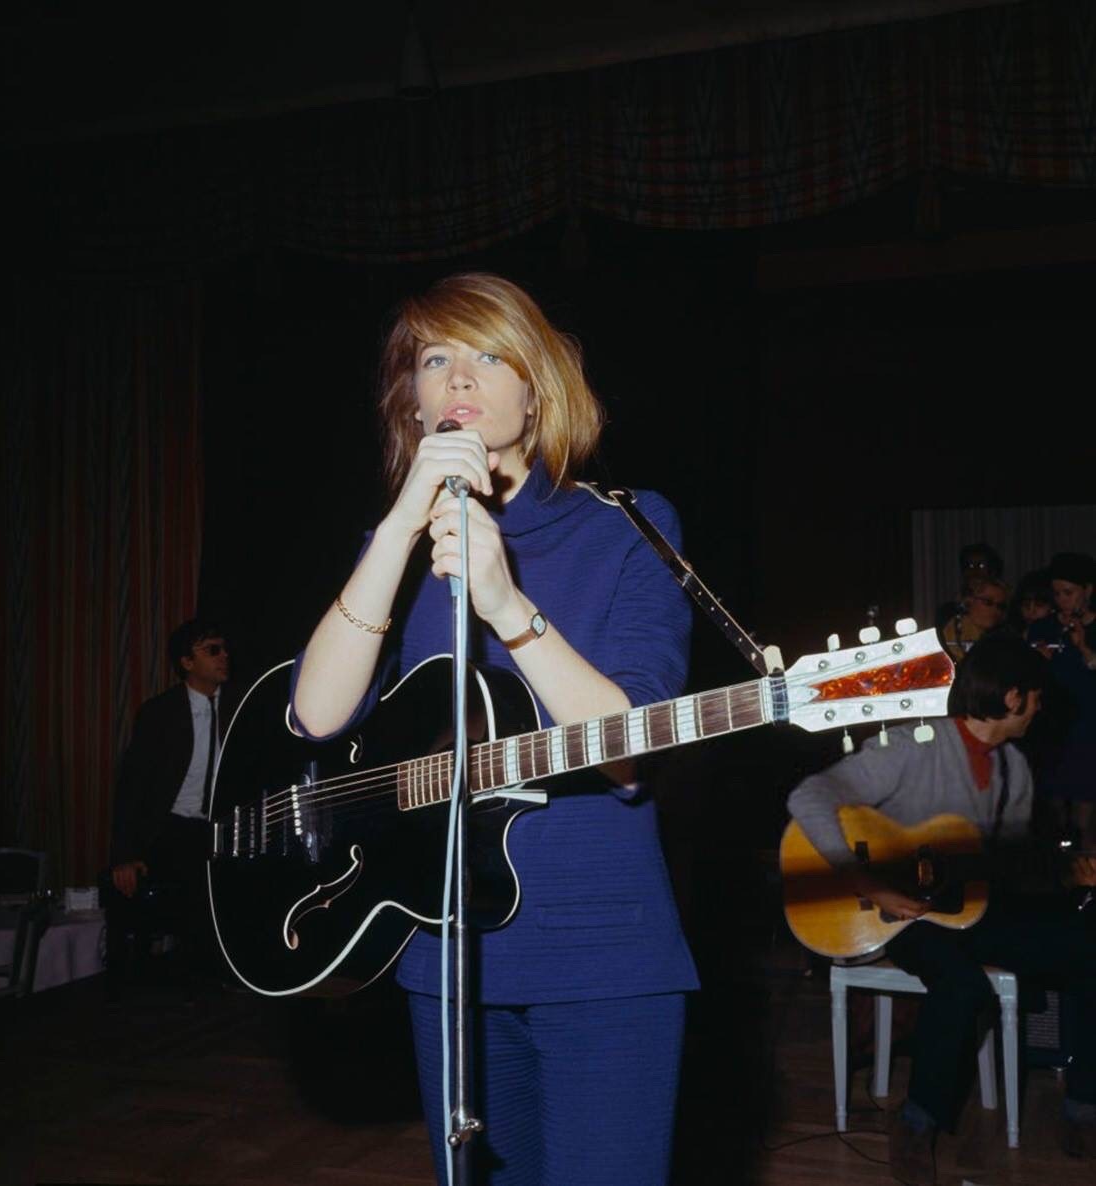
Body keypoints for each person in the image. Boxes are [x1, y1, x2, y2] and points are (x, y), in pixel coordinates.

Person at [288, 272, 697, 1186]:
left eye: (487, 355)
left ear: (536, 387)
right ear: (414, 398)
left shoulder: (629, 525)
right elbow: (317, 715)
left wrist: (508, 604)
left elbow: (629, 756)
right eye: (435, 360)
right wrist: (400, 527)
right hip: (449, 951)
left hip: (602, 952)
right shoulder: (398, 540)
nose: (459, 379)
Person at [787, 634, 1096, 1183]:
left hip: (966, 909)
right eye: (1037, 696)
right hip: (896, 917)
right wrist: (869, 883)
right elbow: (808, 797)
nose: (1042, 707)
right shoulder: (912, 746)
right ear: (1011, 697)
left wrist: (1067, 873)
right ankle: (915, 1125)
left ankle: (1084, 1109)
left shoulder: (1015, 773)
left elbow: (1012, 869)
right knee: (961, 985)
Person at [107, 619, 234, 992]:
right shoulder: (160, 713)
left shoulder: (239, 708)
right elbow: (132, 788)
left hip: (226, 828)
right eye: (212, 650)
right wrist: (124, 855)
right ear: (187, 663)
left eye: (224, 648)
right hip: (175, 829)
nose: (224, 656)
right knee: (196, 890)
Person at [1028, 551, 1096, 849]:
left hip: (1089, 722)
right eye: (1056, 593)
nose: (1061, 600)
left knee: (1085, 802)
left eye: (1068, 593)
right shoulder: (1043, 628)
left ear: (1088, 590)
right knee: (1053, 805)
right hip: (1052, 723)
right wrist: (1036, 660)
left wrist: (1084, 650)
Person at [939, 576, 1010, 662]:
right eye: (988, 602)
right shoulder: (956, 631)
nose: (995, 610)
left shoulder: (1002, 635)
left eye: (1000, 606)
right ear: (970, 600)